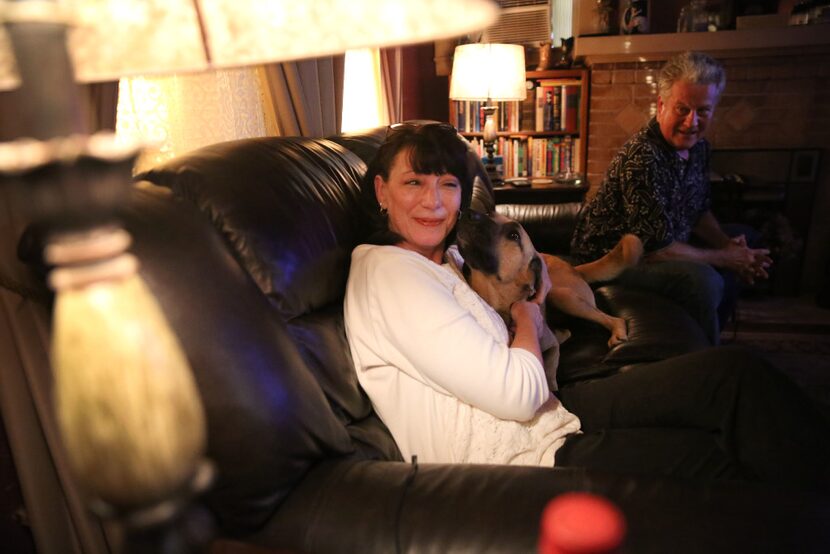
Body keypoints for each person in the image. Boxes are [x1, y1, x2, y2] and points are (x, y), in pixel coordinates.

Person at [344, 122, 830, 489]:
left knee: (734, 374)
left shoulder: (446, 257)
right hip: (517, 459)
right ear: (382, 191)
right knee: (720, 459)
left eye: (448, 184)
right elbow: (515, 395)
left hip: (549, 417)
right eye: (414, 183)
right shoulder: (389, 273)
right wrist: (527, 315)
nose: (434, 202)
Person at [570, 51, 772, 345]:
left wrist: (730, 247)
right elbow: (656, 249)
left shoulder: (700, 148)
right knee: (705, 279)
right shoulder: (642, 157)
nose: (691, 123)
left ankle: (708, 333)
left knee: (748, 237)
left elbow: (699, 211)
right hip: (613, 260)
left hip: (666, 241)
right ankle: (705, 356)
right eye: (682, 109)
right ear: (661, 105)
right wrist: (726, 258)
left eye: (703, 111)